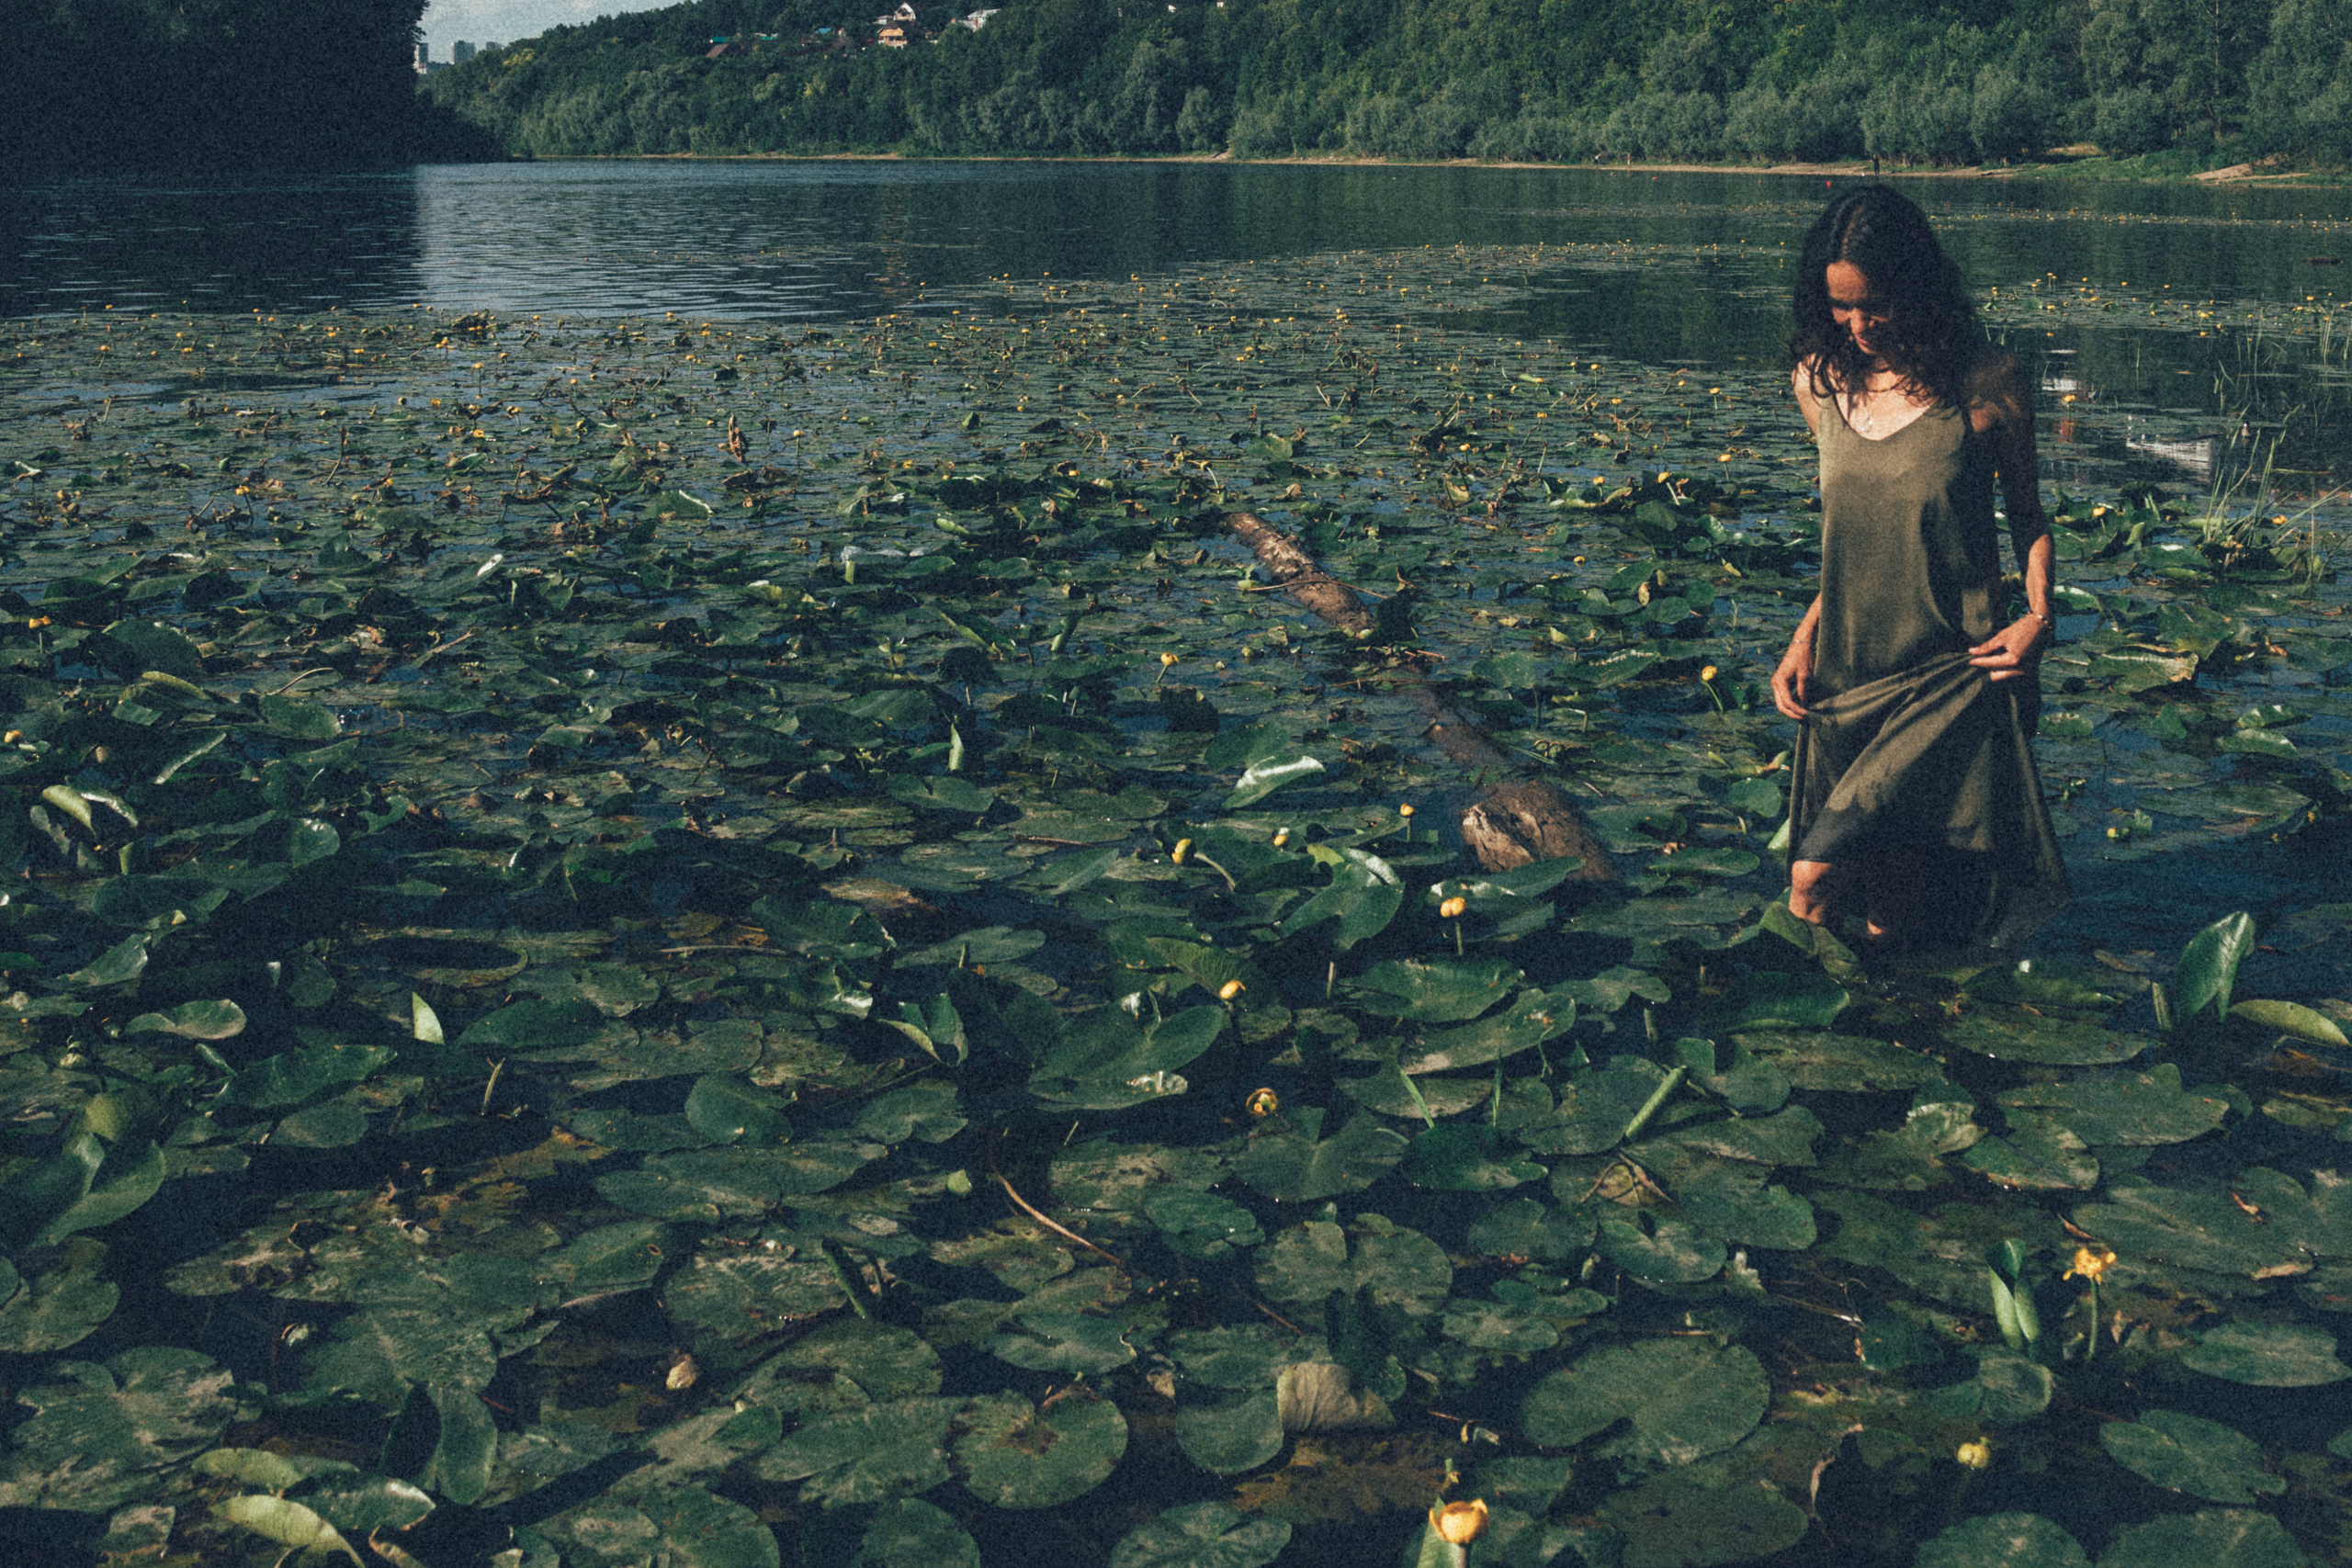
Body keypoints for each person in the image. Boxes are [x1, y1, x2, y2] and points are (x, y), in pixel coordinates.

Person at [1770, 185, 2070, 950]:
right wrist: (1804, 637)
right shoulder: (1818, 380)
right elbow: (1861, 535)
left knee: (1812, 878)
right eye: (1841, 307)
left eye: (1875, 305)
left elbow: (2029, 519)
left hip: (1953, 673)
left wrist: (2039, 618)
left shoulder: (1988, 381)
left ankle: (1791, 1017)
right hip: (1849, 672)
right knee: (1889, 906)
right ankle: (1886, 1040)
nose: (1858, 326)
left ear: (1917, 287)